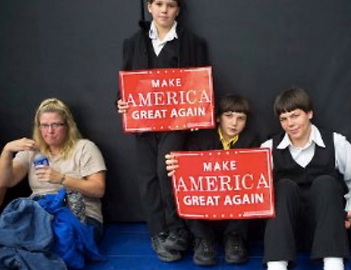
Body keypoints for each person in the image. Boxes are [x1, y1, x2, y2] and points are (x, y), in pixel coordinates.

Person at [116, 0, 209, 262]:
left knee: (166, 171)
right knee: (148, 178)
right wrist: (121, 102)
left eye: (170, 5)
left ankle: (178, 229)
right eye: (159, 3)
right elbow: (125, 82)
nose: (164, 10)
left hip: (178, 121)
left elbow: (203, 84)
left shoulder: (193, 42)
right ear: (149, 7)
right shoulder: (133, 42)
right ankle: (158, 232)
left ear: (178, 10)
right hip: (143, 121)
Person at [262, 88, 351, 270]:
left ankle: (333, 264)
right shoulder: (268, 148)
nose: (290, 123)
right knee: (282, 186)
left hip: (327, 227)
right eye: (284, 119)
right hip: (286, 230)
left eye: (295, 116)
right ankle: (276, 266)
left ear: (309, 113)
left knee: (326, 183)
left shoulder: (336, 142)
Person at [165, 94, 260, 266]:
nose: (234, 123)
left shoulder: (251, 140)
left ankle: (234, 237)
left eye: (241, 118)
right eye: (229, 116)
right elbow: (187, 172)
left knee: (251, 187)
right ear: (218, 118)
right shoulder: (200, 138)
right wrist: (177, 166)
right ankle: (203, 239)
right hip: (205, 203)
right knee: (183, 186)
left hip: (234, 204)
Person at [0, 98, 106, 240]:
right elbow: (5, 181)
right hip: (40, 211)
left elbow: (98, 189)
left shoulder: (85, 148)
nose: (49, 131)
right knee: (12, 232)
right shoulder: (32, 149)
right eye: (44, 125)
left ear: (68, 126)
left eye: (56, 125)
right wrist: (7, 151)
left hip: (79, 214)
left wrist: (62, 179)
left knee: (56, 237)